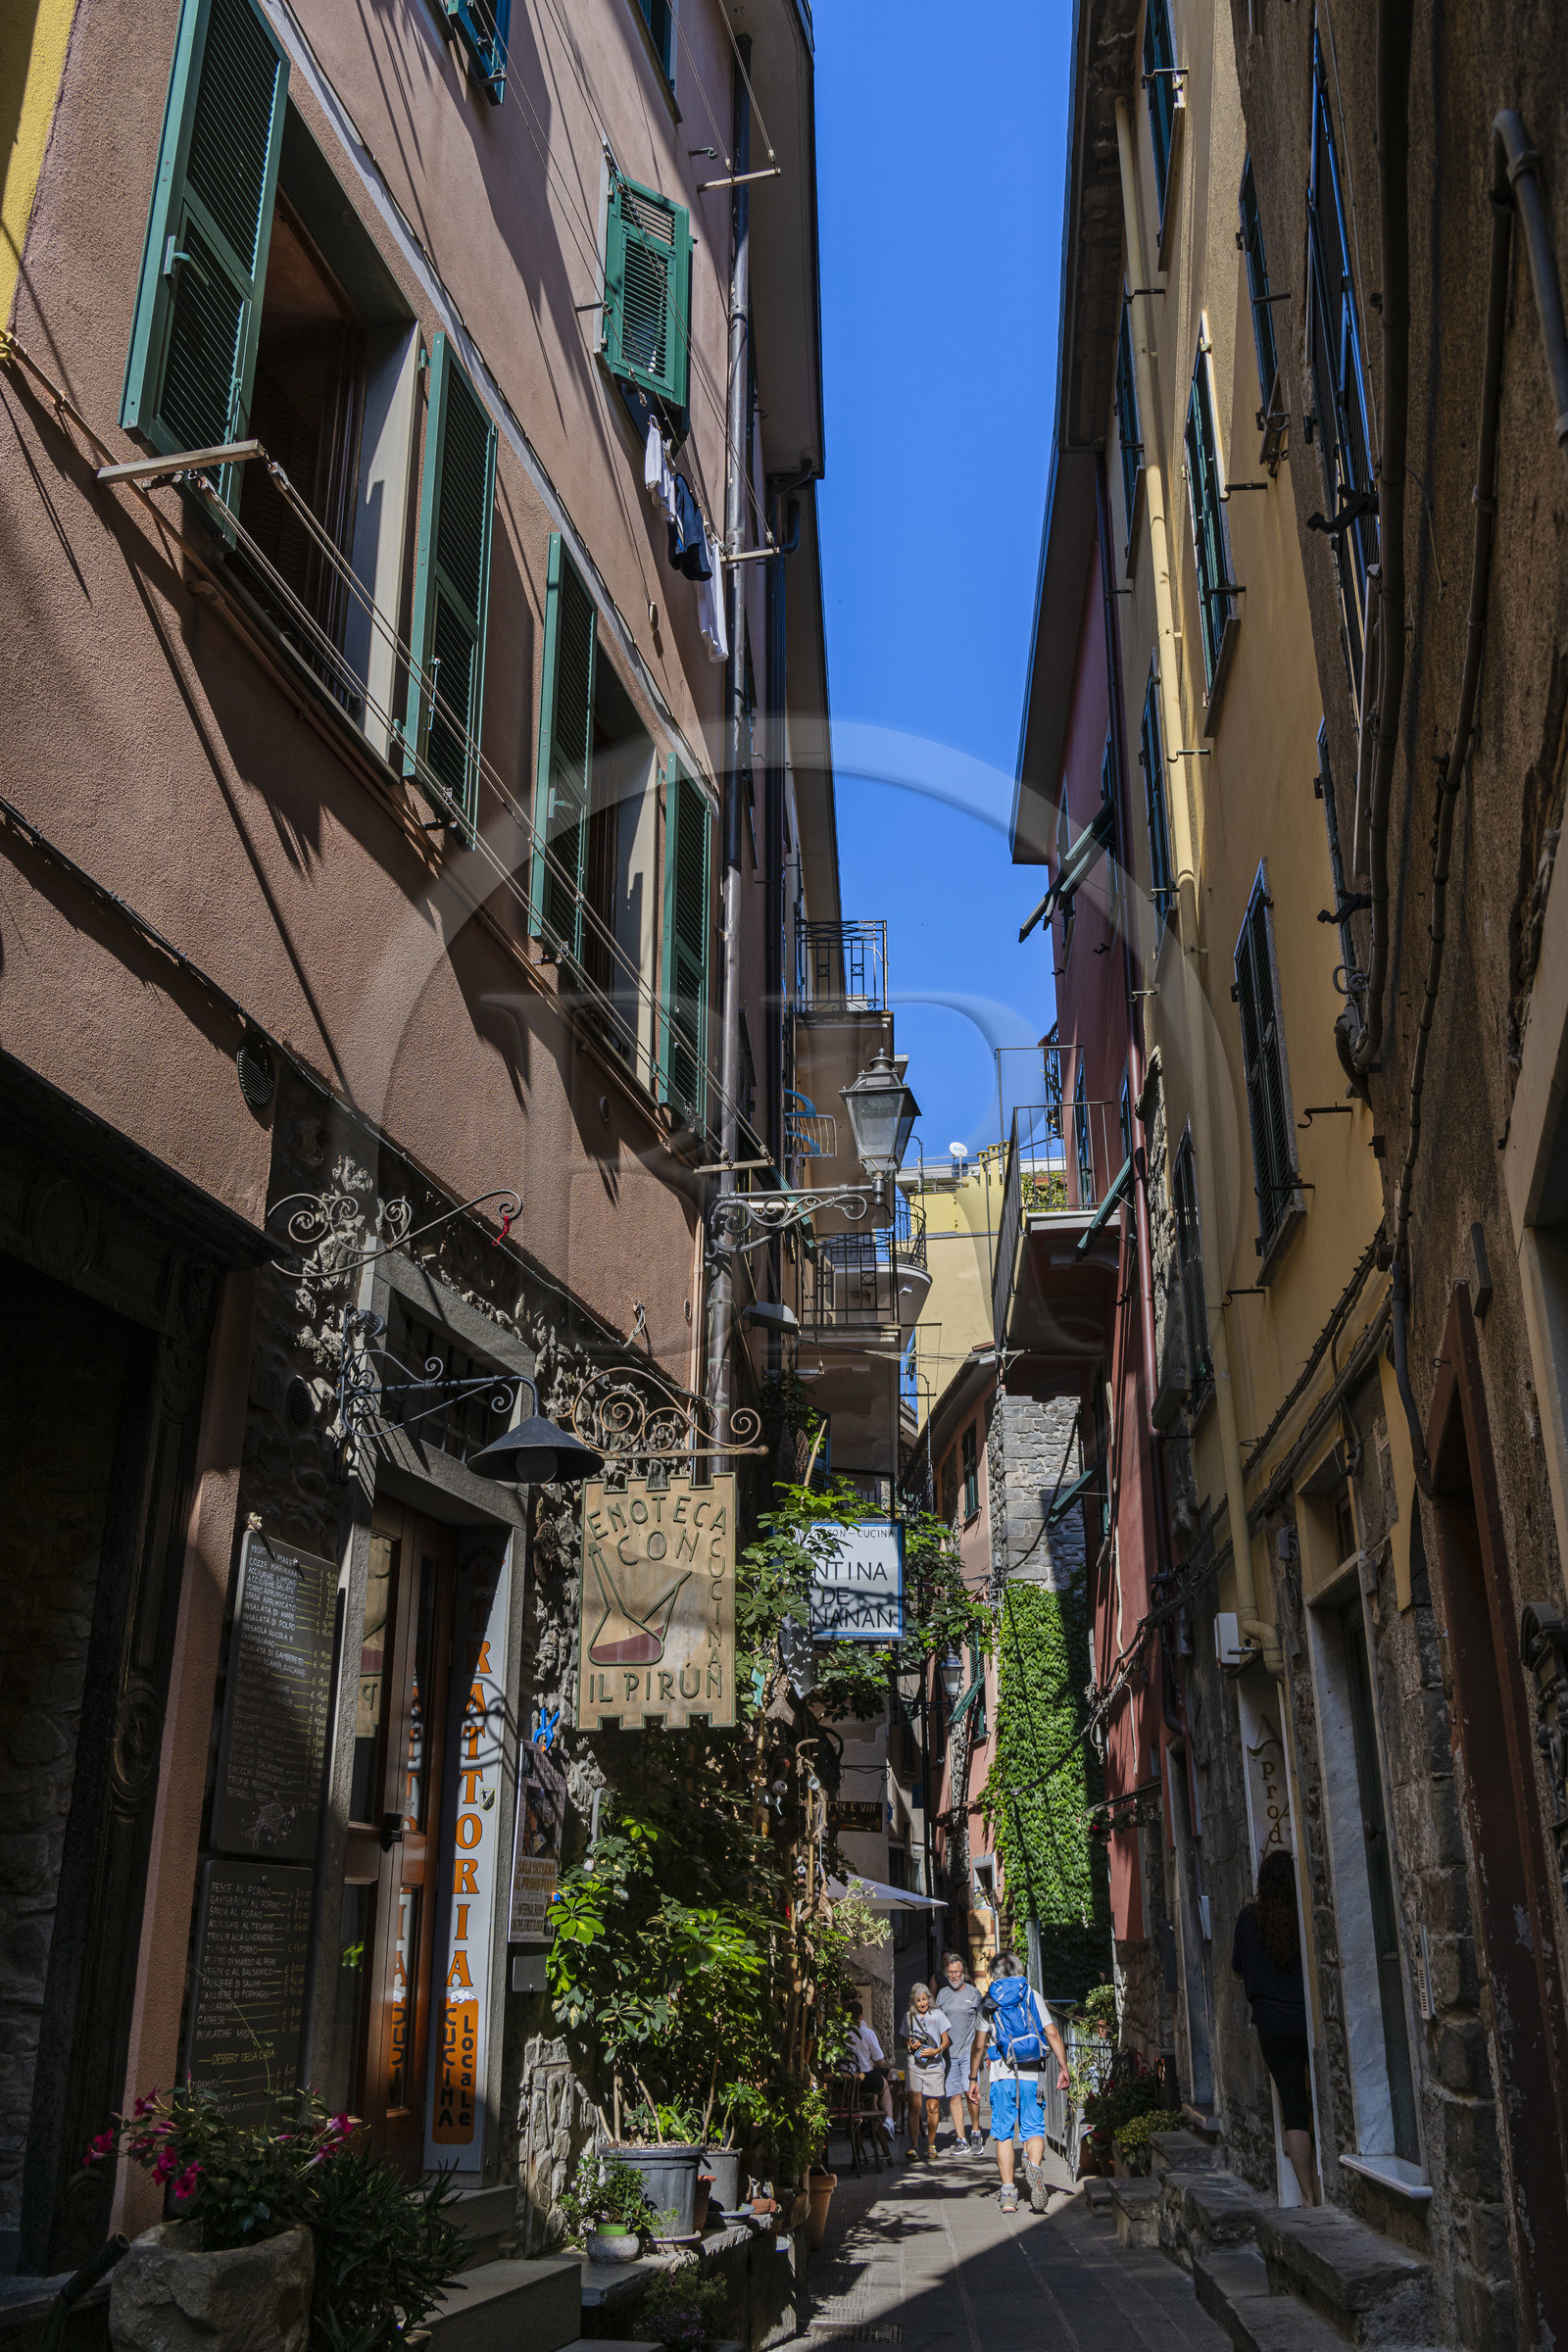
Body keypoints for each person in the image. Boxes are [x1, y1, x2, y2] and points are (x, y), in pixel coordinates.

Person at [1232, 1849, 1318, 2205]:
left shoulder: (1249, 1919)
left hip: (1272, 2025)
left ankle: (1310, 2198)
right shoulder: (1305, 1918)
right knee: (1319, 2102)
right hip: (1309, 2021)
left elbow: (1237, 1969)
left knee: (1294, 2109)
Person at [980, 1949, 1069, 2214]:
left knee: (1004, 2134)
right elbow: (1051, 2032)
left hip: (1002, 2073)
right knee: (1033, 2129)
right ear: (1020, 1970)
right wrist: (1063, 2067)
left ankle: (1008, 2195)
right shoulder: (1031, 1994)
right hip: (1032, 2073)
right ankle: (1035, 2168)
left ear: (992, 1975)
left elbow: (978, 2045)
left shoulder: (989, 2000)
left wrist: (973, 2077)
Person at [933, 1949, 987, 2153]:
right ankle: (961, 2139)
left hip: (969, 2053)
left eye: (957, 1972)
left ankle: (975, 2132)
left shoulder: (973, 1993)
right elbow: (936, 2022)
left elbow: (983, 2024)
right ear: (947, 1974)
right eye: (951, 1972)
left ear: (963, 1972)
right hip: (948, 2055)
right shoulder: (942, 1994)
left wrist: (985, 2052)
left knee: (970, 2093)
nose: (954, 1975)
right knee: (954, 2096)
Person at [899, 1983, 951, 2161]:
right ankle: (913, 2146)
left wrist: (936, 2051)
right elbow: (904, 2040)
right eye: (918, 2000)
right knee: (914, 2105)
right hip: (915, 2064)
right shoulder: (909, 2017)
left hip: (934, 2065)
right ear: (913, 2001)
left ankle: (931, 2144)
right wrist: (910, 2046)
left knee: (932, 2107)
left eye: (924, 1999)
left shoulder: (938, 2015)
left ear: (929, 1998)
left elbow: (946, 2040)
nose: (922, 2003)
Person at [847, 1999, 897, 2143]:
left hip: (846, 2083)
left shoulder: (839, 2034)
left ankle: (875, 2124)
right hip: (865, 2078)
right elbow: (880, 2061)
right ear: (861, 2016)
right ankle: (888, 2120)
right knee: (885, 2086)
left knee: (873, 2090)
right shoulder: (867, 2033)